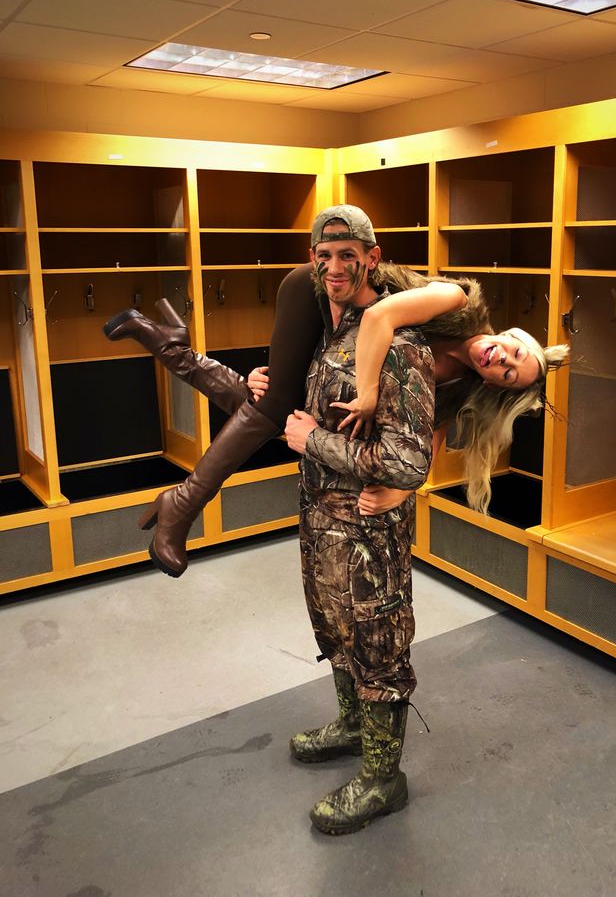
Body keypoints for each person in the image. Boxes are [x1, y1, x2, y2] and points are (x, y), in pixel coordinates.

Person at [103, 205, 566, 576]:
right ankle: (181, 505)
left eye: (508, 375)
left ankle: (169, 346)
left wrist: (402, 492)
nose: (501, 361)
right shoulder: (457, 302)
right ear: (509, 334)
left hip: (338, 326)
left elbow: (426, 441)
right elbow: (376, 319)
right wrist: (365, 395)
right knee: (272, 409)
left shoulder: (461, 386)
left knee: (268, 406)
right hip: (322, 289)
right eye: (513, 353)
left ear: (493, 387)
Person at [281, 205, 434, 834]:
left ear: (373, 257)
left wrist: (313, 442)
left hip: (370, 538)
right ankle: (351, 727)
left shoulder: (398, 344)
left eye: (349, 254)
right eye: (326, 255)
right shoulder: (330, 329)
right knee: (337, 634)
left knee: (377, 650)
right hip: (323, 528)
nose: (335, 266)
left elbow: (407, 461)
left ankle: (383, 778)